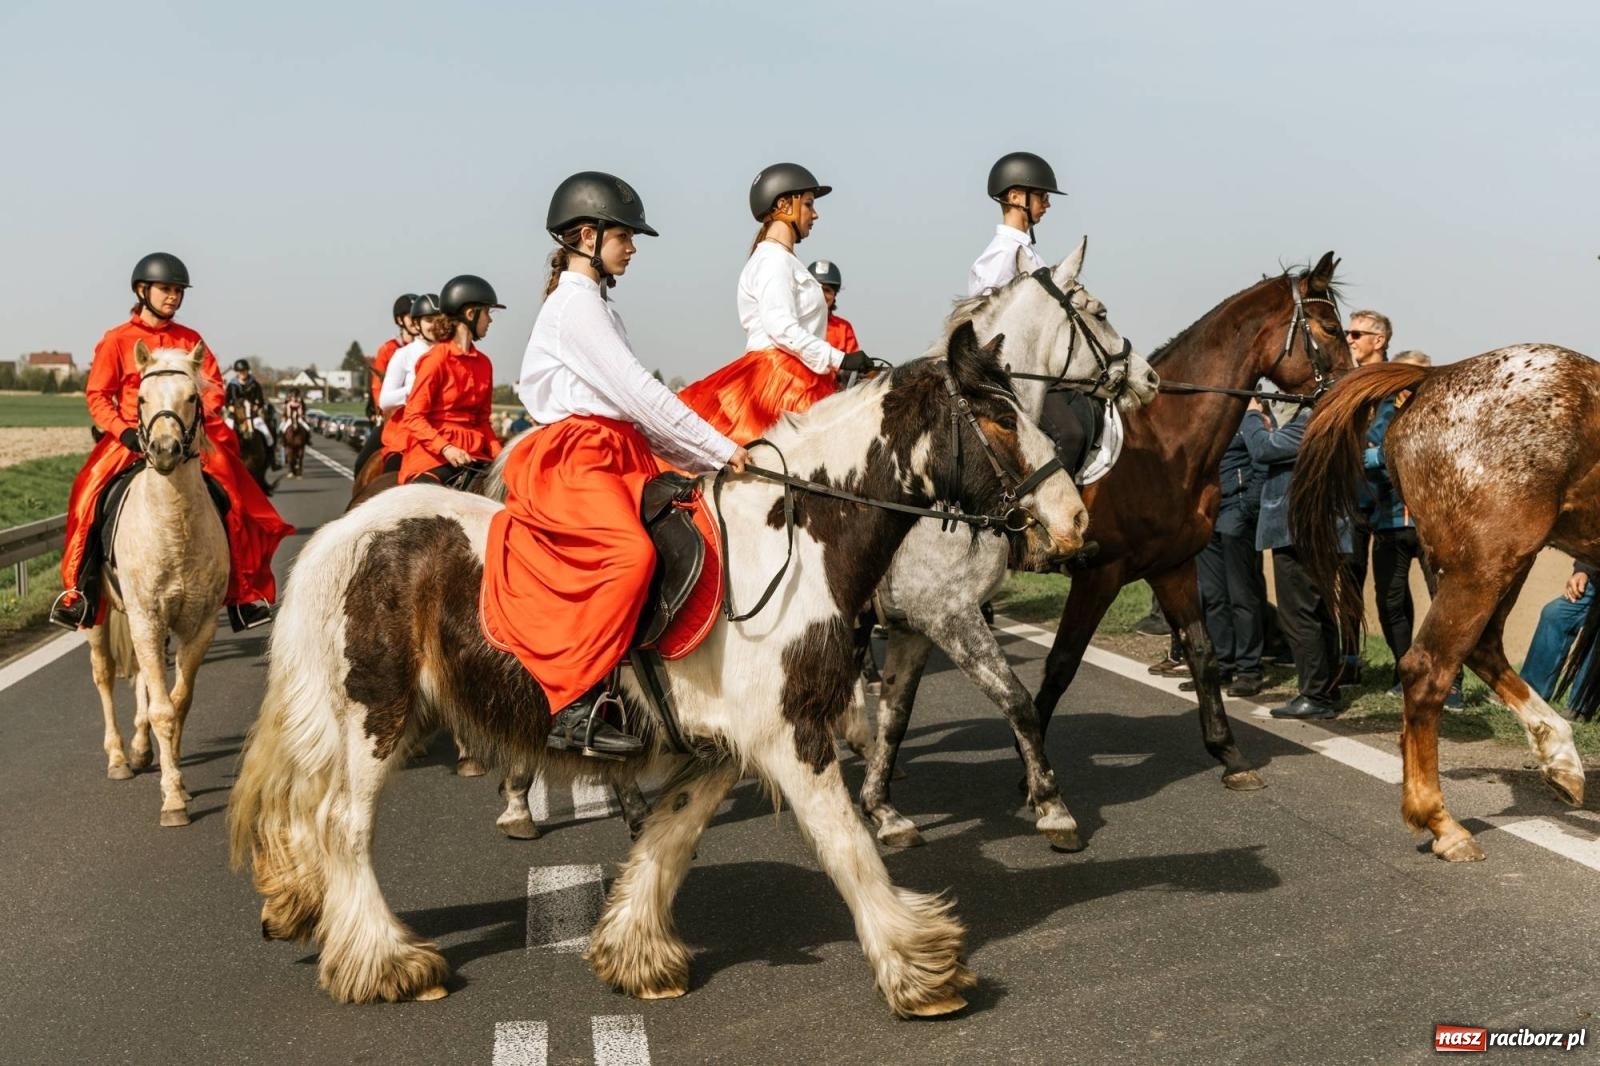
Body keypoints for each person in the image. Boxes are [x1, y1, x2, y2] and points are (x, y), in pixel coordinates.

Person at [480, 171, 749, 757]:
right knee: (631, 555)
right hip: (578, 458)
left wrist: (705, 462)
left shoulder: (598, 306)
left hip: (621, 451)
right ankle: (571, 707)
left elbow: (640, 415)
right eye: (625, 236)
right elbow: (638, 392)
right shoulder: (574, 307)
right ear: (586, 235)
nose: (632, 247)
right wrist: (722, 450)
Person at [51, 253, 294, 632]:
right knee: (88, 498)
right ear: (142, 290)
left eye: (178, 291)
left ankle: (244, 593)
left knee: (235, 497)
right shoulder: (117, 340)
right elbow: (98, 396)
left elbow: (212, 391)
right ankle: (81, 593)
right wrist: (127, 431)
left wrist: (191, 423)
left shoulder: (191, 340)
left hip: (188, 436)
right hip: (132, 437)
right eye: (167, 289)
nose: (174, 297)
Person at [677, 163, 869, 443]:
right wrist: (839, 358)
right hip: (781, 380)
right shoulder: (773, 260)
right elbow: (781, 327)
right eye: (808, 204)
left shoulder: (785, 260)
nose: (815, 214)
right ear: (783, 204)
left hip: (797, 375)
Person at [1361, 348, 1460, 704]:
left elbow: (1440, 459)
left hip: (1432, 525)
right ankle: (1404, 672)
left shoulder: (1444, 411)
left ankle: (1452, 682)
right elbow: (1366, 455)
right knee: (1389, 601)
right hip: (1387, 522)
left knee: (1444, 603)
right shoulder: (1381, 413)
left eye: (1420, 374)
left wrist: (1384, 457)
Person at [1242, 397, 1343, 718]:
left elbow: (1264, 449)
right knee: (1319, 611)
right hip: (1316, 532)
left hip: (1298, 531)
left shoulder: (1313, 421)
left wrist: (1252, 416)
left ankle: (1315, 694)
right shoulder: (1328, 420)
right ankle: (1327, 689)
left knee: (1299, 614)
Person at [1190, 418, 1269, 697]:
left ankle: (1249, 670)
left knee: (1242, 596)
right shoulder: (1204, 420)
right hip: (1206, 518)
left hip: (1236, 517)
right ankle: (1222, 664)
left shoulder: (1246, 419)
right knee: (1213, 596)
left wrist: (1247, 507)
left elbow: (1261, 463)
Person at [397, 278, 503, 485]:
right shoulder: (435, 360)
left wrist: (503, 457)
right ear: (471, 314)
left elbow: (482, 420)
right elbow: (413, 417)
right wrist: (446, 448)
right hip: (433, 457)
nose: (490, 320)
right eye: (487, 313)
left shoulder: (484, 363)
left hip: (475, 454)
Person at [1339, 309, 1393, 684]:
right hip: (1352, 498)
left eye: (1357, 333)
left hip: (1391, 501)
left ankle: (1404, 671)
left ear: (1380, 340)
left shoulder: (1395, 381)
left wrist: (1372, 452)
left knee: (1393, 594)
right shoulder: (1345, 381)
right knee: (1348, 586)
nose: (1350, 339)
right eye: (1347, 332)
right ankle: (1348, 662)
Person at [377, 293, 445, 473]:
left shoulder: (450, 353)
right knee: (387, 471)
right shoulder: (403, 355)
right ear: (417, 324)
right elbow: (384, 400)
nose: (436, 325)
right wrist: (415, 390)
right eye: (430, 320)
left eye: (440, 319)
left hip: (446, 428)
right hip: (409, 429)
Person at [353, 294, 419, 476]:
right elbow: (378, 388)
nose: (415, 321)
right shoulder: (388, 350)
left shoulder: (430, 348)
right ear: (400, 320)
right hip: (394, 417)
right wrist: (383, 411)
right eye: (411, 316)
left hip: (423, 417)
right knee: (361, 464)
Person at [1521, 562, 1598, 702]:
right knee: (1554, 614)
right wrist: (1582, 570)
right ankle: (1531, 691)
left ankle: (1579, 707)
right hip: (1596, 579)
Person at [225, 358, 275, 464]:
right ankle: (223, 461)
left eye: (244, 371)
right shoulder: (232, 385)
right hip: (234, 417)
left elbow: (260, 400)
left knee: (268, 435)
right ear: (237, 372)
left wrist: (256, 406)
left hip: (253, 416)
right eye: (240, 371)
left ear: (247, 371)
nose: (242, 373)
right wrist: (231, 407)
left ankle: (272, 460)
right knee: (223, 436)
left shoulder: (254, 384)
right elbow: (226, 401)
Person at [808, 259, 859, 354]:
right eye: (817, 289)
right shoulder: (795, 323)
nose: (821, 295)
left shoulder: (844, 328)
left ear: (834, 295)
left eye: (827, 290)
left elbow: (854, 362)